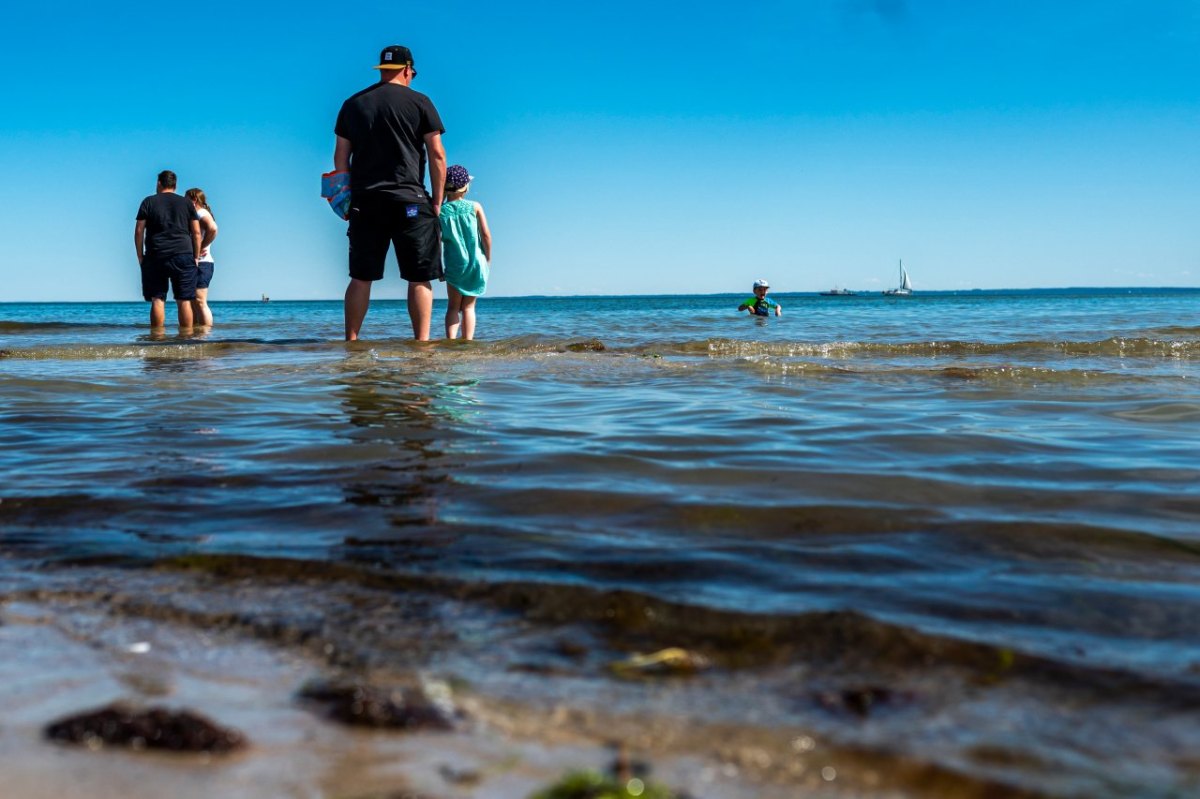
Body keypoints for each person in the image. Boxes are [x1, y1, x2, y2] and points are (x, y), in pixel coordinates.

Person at [334, 45, 447, 341]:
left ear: (383, 70)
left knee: (360, 278)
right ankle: (421, 346)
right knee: (419, 278)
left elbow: (340, 158)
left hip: (366, 201)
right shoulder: (420, 102)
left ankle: (352, 344)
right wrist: (436, 200)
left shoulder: (353, 104)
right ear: (408, 70)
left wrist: (345, 199)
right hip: (410, 200)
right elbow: (436, 155)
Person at [135, 170, 201, 329]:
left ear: (159, 183)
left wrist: (140, 256)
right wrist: (196, 256)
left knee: (158, 299)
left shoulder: (148, 202)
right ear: (175, 185)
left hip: (155, 255)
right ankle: (186, 341)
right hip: (183, 254)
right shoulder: (186, 203)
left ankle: (157, 340)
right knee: (184, 300)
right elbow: (197, 232)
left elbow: (139, 231)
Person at [440, 165, 493, 340]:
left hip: (455, 264)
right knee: (469, 307)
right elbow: (485, 235)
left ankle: (451, 342)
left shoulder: (440, 212)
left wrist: (438, 267)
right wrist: (488, 258)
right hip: (476, 262)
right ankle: (468, 342)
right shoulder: (475, 206)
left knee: (453, 307)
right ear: (466, 187)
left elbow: (434, 242)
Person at [184, 188, 219, 327]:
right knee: (192, 302)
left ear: (194, 200)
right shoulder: (195, 215)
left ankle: (206, 336)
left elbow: (213, 229)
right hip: (194, 263)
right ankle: (196, 337)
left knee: (199, 301)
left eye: (186, 199)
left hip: (203, 263)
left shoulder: (201, 213)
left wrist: (201, 248)